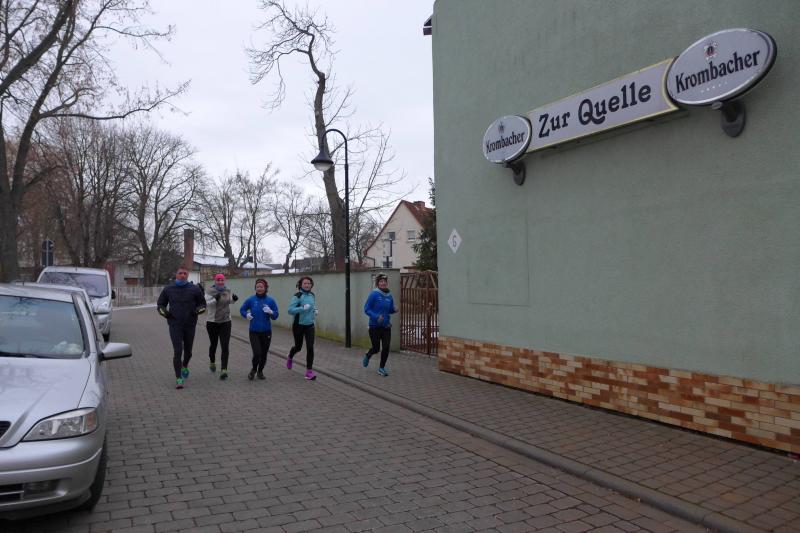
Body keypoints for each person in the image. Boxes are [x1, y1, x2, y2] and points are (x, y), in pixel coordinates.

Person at [157, 266, 207, 389]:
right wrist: (165, 313)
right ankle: (178, 378)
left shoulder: (194, 289)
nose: (183, 275)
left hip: (190, 324)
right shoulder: (168, 289)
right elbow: (160, 304)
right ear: (176, 275)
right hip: (175, 324)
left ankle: (185, 365)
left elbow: (203, 304)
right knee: (178, 351)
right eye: (180, 273)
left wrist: (198, 311)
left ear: (187, 275)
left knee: (188, 351)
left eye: (185, 273)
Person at [239, 278, 279, 381]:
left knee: (264, 354)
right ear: (255, 288)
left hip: (266, 331)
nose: (259, 288)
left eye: (261, 287)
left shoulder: (270, 301)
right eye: (257, 287)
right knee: (257, 353)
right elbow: (242, 309)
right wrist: (246, 314)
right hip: (254, 331)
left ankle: (260, 371)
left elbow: (276, 315)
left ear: (265, 288)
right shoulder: (251, 300)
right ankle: (253, 370)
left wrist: (271, 312)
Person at [362, 273, 398, 377]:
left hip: (386, 326)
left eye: (385, 282)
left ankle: (381, 368)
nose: (383, 283)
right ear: (378, 283)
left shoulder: (389, 295)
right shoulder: (374, 294)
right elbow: (366, 309)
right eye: (381, 281)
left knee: (386, 347)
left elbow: (389, 310)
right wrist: (376, 316)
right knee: (376, 348)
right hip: (374, 326)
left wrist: (394, 310)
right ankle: (368, 354)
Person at [205, 273, 238, 380]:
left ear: (224, 281)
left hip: (226, 321)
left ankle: (224, 369)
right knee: (213, 344)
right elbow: (206, 304)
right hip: (212, 322)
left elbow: (229, 301)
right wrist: (215, 299)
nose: (220, 282)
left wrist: (234, 300)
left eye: (222, 280)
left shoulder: (227, 290)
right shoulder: (210, 291)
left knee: (225, 345)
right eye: (218, 280)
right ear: (215, 281)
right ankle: (212, 362)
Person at [286, 276, 318, 380]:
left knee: (310, 347)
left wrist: (315, 310)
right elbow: (290, 310)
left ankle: (309, 371)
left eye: (309, 283)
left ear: (311, 285)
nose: (307, 285)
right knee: (298, 347)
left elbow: (312, 306)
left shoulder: (312, 295)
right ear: (301, 285)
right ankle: (290, 356)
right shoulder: (297, 296)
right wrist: (302, 308)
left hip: (310, 325)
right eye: (305, 283)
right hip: (298, 325)